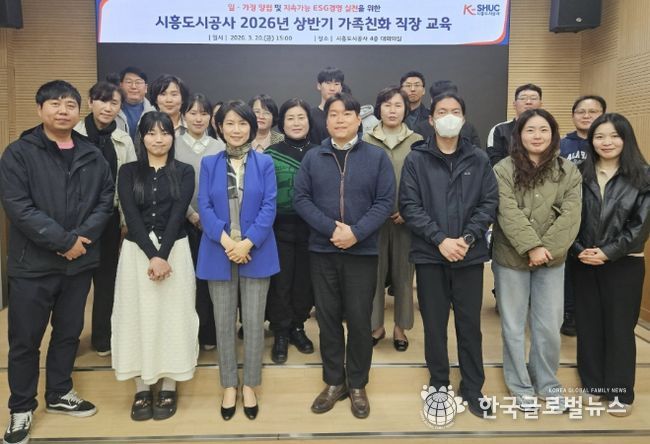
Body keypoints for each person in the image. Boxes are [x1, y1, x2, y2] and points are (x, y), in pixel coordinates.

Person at [0, 80, 114, 444]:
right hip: (32, 265)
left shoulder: (92, 153)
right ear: (40, 109)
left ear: (79, 110)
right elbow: (18, 206)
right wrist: (65, 241)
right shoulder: (19, 153)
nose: (62, 110)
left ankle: (60, 392)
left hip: (78, 264)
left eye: (69, 104)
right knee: (25, 340)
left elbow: (105, 201)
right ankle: (21, 407)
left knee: (67, 333)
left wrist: (80, 240)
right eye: (54, 104)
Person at [294, 93, 395, 419]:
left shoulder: (376, 157)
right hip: (322, 250)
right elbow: (301, 199)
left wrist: (356, 232)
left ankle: (358, 384)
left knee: (360, 320)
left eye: (346, 114)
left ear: (357, 119)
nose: (339, 119)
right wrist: (331, 229)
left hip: (362, 251)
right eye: (333, 114)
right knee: (327, 319)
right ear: (326, 121)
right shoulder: (314, 156)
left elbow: (385, 201)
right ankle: (334, 381)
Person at [399, 92, 498, 418]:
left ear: (464, 118)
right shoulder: (416, 159)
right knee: (434, 325)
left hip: (469, 256)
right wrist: (440, 240)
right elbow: (410, 206)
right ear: (431, 120)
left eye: (455, 111)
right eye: (442, 112)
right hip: (430, 255)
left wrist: (466, 238)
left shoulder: (478, 159)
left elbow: (489, 203)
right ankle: (439, 383)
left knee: (470, 325)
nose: (449, 117)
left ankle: (473, 388)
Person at [491, 109, 582, 412]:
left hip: (552, 260)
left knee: (549, 326)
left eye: (544, 129)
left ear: (553, 134)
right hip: (510, 258)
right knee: (513, 326)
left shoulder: (568, 170)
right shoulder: (503, 169)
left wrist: (546, 249)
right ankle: (520, 385)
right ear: (519, 135)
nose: (537, 136)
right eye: (530, 130)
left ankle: (547, 383)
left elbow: (571, 215)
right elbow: (506, 211)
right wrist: (531, 247)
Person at [112, 112, 197, 421]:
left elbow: (178, 215)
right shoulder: (128, 171)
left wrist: (163, 254)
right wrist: (153, 255)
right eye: (151, 133)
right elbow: (131, 216)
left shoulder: (184, 171)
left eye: (164, 133)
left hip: (175, 251)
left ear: (173, 137)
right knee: (135, 316)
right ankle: (141, 387)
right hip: (137, 254)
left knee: (174, 316)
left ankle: (170, 384)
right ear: (142, 137)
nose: (158, 139)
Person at [196, 100, 279, 421]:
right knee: (224, 323)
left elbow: (269, 206)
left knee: (255, 324)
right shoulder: (209, 163)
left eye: (242, 123)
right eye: (229, 123)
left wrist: (247, 243)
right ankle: (229, 384)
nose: (236, 129)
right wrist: (229, 242)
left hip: (256, 250)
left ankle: (251, 385)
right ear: (219, 127)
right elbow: (204, 206)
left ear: (252, 127)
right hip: (219, 250)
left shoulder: (264, 162)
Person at [572, 113, 650, 417]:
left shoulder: (643, 176)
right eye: (599, 136)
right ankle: (592, 385)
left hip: (624, 263)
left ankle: (620, 391)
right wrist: (579, 250)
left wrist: (607, 252)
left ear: (626, 138)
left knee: (619, 328)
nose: (607, 142)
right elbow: (566, 218)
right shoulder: (578, 173)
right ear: (591, 141)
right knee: (588, 324)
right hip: (583, 260)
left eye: (614, 135)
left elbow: (641, 226)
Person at [73, 80, 137, 357]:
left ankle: (102, 337)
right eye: (102, 100)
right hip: (75, 221)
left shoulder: (123, 139)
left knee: (106, 280)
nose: (107, 107)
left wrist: (125, 221)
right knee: (75, 283)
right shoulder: (73, 135)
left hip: (110, 219)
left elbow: (128, 183)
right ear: (90, 102)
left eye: (114, 103)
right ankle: (69, 338)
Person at [363, 87, 423, 351]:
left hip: (406, 221)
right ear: (379, 108)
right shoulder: (365, 139)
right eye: (387, 105)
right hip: (373, 222)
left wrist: (409, 211)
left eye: (398, 105)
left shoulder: (417, 141)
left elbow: (424, 182)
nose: (392, 110)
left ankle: (400, 327)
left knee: (403, 277)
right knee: (373, 276)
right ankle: (376, 326)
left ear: (406, 109)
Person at [265, 99, 317, 364]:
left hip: (312, 230)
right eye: (290, 118)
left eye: (301, 117)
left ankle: (298, 327)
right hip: (278, 230)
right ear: (282, 123)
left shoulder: (321, 152)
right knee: (281, 284)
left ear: (309, 121)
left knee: (304, 284)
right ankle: (281, 332)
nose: (296, 123)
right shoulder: (270, 154)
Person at [175, 93, 225, 351]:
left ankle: (208, 333)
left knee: (209, 281)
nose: (198, 118)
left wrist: (209, 219)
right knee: (184, 281)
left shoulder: (219, 147)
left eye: (204, 113)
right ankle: (185, 336)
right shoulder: (172, 144)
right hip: (180, 222)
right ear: (183, 115)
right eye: (192, 112)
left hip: (213, 225)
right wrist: (192, 215)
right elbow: (172, 186)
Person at [559, 95, 606, 337]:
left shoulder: (608, 144)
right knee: (569, 268)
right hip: (567, 214)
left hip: (600, 217)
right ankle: (570, 313)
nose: (586, 115)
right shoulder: (561, 145)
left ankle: (596, 315)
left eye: (593, 111)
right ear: (573, 115)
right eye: (581, 111)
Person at [486, 84, 543, 167]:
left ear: (541, 104)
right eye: (523, 98)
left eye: (534, 98)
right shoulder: (499, 130)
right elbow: (495, 162)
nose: (528, 102)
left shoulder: (548, 130)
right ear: (514, 104)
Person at [413, 80, 482, 147]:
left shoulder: (469, 129)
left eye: (450, 98)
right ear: (432, 101)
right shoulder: (420, 130)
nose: (446, 103)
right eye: (442, 112)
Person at [116, 66, 156, 140]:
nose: (133, 86)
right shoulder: (112, 110)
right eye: (129, 82)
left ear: (146, 88)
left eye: (138, 82)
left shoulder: (155, 111)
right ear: (120, 86)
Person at [309, 67, 344, 145]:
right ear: (319, 86)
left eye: (336, 84)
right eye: (328, 83)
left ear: (341, 88)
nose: (332, 88)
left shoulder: (348, 114)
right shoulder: (310, 114)